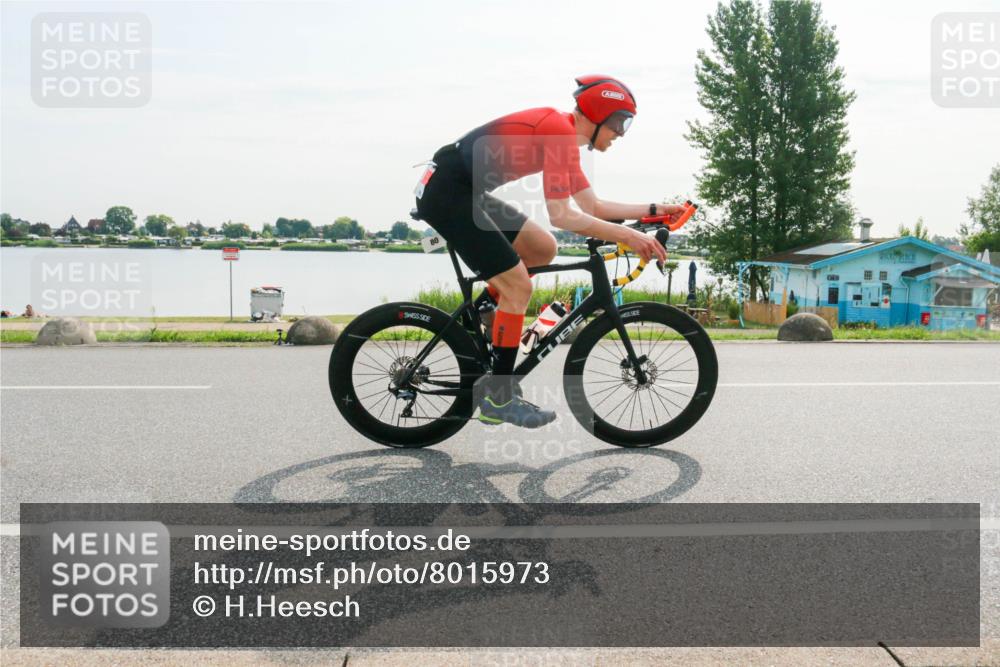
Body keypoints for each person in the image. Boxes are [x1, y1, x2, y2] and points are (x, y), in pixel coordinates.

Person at [415, 75, 682, 428]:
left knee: (542, 248)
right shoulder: (557, 131)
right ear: (601, 113)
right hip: (448, 193)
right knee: (519, 288)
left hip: (463, 191)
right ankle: (498, 398)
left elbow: (593, 205)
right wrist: (629, 238)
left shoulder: (564, 137)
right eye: (621, 122)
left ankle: (482, 310)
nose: (621, 133)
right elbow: (563, 214)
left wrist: (654, 210)